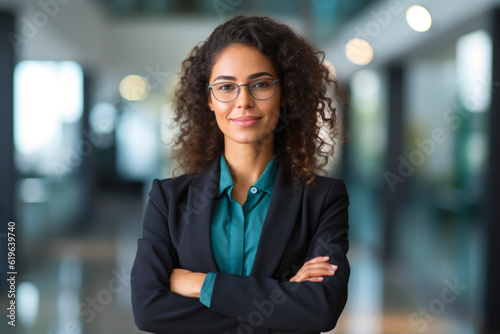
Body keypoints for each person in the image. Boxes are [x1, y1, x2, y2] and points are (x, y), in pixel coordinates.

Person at [131, 15, 350, 334]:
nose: (243, 101)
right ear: (209, 99)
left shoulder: (323, 198)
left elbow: (320, 311)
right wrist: (283, 302)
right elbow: (148, 310)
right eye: (226, 87)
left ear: (284, 93)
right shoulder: (167, 199)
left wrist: (200, 284)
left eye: (261, 84)